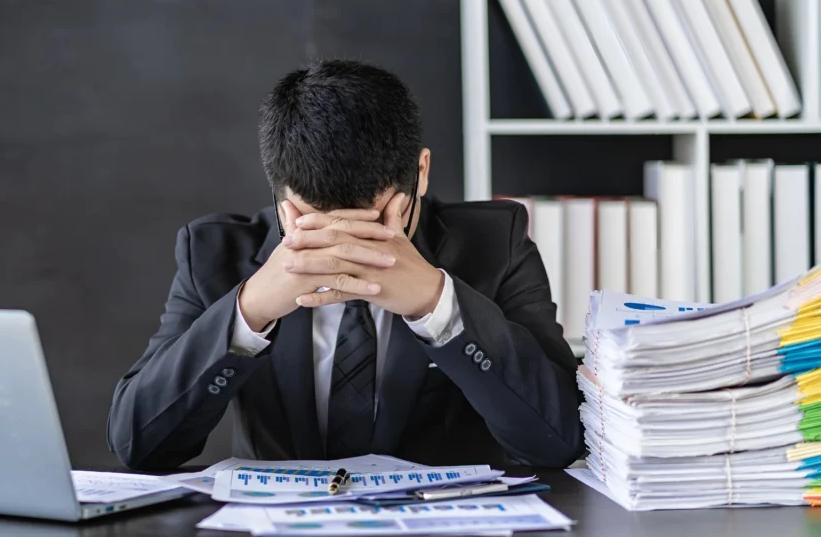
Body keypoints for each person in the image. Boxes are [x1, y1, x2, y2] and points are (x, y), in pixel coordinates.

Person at [107, 60, 582, 470]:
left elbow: (558, 440)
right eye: (318, 225)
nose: (345, 248)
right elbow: (139, 445)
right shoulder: (213, 254)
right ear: (279, 194)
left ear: (420, 172)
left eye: (374, 223)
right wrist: (247, 313)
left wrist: (438, 308)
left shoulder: (495, 244)